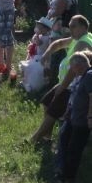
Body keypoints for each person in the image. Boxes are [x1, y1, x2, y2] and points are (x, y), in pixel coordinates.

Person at [30, 15, 92, 145]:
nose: (70, 29)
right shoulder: (76, 38)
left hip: (72, 86)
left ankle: (33, 140)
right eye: (69, 26)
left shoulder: (84, 42)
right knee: (47, 102)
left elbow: (74, 69)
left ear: (84, 27)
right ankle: (47, 137)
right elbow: (58, 43)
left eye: (73, 26)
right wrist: (47, 54)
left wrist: (61, 87)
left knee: (53, 111)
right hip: (64, 83)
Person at [55, 52, 92, 183]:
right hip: (73, 116)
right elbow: (75, 96)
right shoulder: (81, 76)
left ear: (78, 65)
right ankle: (61, 170)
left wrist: (90, 116)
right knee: (64, 139)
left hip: (82, 119)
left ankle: (69, 177)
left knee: (75, 148)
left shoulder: (89, 76)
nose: (72, 70)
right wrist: (68, 111)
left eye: (72, 67)